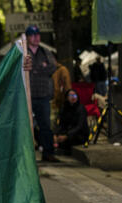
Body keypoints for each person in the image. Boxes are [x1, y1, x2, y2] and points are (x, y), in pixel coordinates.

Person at [23, 25, 59, 162]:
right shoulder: (24, 52)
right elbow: (23, 68)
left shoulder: (45, 52)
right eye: (33, 35)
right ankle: (26, 154)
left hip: (43, 94)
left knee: (45, 125)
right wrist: (40, 68)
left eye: (37, 34)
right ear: (27, 37)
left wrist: (34, 69)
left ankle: (48, 152)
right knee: (26, 124)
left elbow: (52, 67)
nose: (36, 37)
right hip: (28, 95)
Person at [54, 89, 89, 154]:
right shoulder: (64, 108)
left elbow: (79, 126)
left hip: (79, 134)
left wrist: (67, 136)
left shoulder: (81, 108)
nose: (73, 97)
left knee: (70, 139)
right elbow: (61, 124)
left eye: (75, 95)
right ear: (67, 97)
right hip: (68, 131)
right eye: (70, 95)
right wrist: (56, 134)